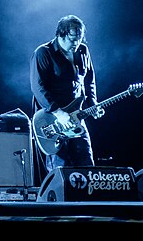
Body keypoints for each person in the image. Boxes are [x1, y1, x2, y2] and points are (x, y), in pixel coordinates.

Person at [30, 15, 104, 174]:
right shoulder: (43, 53)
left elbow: (89, 79)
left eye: (79, 38)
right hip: (52, 120)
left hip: (77, 117)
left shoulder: (82, 50)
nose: (76, 43)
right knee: (60, 169)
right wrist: (58, 113)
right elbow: (38, 87)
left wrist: (93, 103)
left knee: (87, 165)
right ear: (60, 35)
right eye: (72, 39)